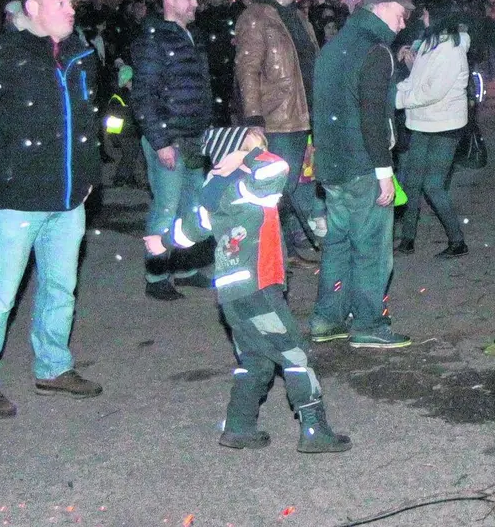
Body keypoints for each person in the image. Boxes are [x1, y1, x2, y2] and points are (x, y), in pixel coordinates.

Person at [0, 0, 103, 418]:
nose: (70, 9)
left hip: (69, 198)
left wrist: (90, 178)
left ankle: (53, 367)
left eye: (71, 2)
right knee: (0, 294)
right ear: (32, 9)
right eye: (59, 2)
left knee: (60, 288)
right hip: (18, 197)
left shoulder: (79, 55)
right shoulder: (3, 57)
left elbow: (87, 122)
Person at [144, 127, 351, 453]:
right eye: (252, 145)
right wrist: (248, 154)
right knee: (294, 352)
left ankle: (239, 427)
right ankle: (314, 429)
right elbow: (280, 168)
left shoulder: (215, 192)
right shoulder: (249, 187)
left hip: (230, 294)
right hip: (259, 286)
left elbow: (188, 232)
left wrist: (163, 241)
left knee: (255, 360)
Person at [309, 0, 412, 349]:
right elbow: (373, 118)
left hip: (332, 165)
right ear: (382, 8)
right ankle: (369, 322)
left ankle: (327, 317)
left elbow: (324, 106)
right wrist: (384, 172)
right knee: (371, 246)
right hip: (362, 164)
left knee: (337, 242)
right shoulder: (376, 51)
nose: (402, 26)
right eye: (401, 16)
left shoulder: (333, 47)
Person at [234, 0, 325, 264]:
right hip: (277, 119)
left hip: (302, 115)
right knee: (277, 190)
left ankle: (295, 243)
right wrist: (253, 118)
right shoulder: (256, 16)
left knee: (300, 184)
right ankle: (271, 255)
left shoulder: (298, 16)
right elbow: (247, 69)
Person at [131, 0, 216, 300]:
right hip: (170, 137)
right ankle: (156, 275)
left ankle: (185, 268)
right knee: (166, 207)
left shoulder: (189, 36)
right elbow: (144, 95)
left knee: (192, 206)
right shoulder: (156, 40)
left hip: (193, 137)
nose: (196, 4)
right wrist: (160, 140)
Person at [392, 0, 471, 258]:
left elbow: (431, 92)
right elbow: (416, 81)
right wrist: (396, 89)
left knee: (433, 185)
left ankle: (457, 241)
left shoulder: (451, 50)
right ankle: (407, 239)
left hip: (445, 126)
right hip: (423, 121)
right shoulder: (429, 44)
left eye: (426, 14)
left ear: (437, 17)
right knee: (412, 182)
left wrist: (397, 98)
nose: (422, 18)